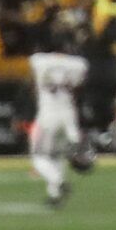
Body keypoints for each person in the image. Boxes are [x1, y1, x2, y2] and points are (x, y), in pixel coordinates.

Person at [28, 39, 88, 208]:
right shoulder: (78, 64)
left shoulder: (39, 60)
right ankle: (54, 195)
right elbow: (78, 87)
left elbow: (33, 83)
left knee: (38, 157)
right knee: (58, 156)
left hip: (48, 115)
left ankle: (59, 182)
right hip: (68, 115)